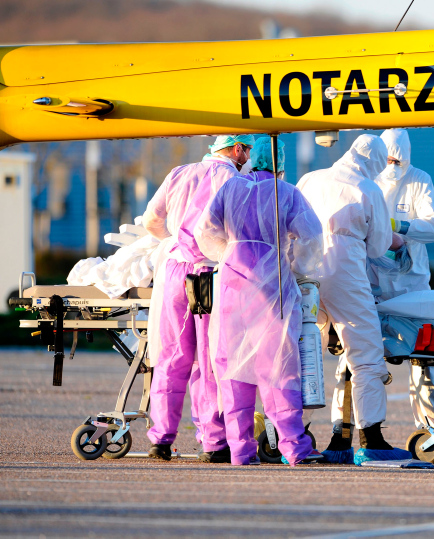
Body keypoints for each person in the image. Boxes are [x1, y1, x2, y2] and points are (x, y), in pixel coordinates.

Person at [194, 137, 324, 466]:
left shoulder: (230, 188)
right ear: (280, 162)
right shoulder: (286, 192)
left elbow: (204, 231)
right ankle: (294, 447)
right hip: (272, 289)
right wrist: (296, 265)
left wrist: (230, 253)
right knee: (277, 367)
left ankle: (241, 451)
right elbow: (312, 236)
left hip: (232, 286)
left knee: (232, 367)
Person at [297, 134, 411, 465]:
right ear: (374, 162)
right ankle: (372, 439)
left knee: (305, 350)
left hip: (305, 267)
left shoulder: (310, 179)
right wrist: (397, 241)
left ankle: (291, 434)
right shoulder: (368, 188)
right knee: (366, 353)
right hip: (344, 271)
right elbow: (377, 246)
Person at [142, 134, 253, 463]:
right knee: (208, 360)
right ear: (237, 149)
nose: (247, 157)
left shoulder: (179, 173)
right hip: (207, 275)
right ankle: (213, 442)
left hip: (174, 272)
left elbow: (151, 220)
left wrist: (175, 241)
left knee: (171, 356)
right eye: (247, 150)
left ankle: (160, 439)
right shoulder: (233, 180)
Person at [369, 128, 434, 432]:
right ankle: (355, 428)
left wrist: (397, 226)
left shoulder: (419, 179)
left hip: (412, 284)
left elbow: (433, 228)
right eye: (387, 159)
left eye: (397, 161)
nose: (391, 166)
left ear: (407, 158)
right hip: (374, 284)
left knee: (423, 356)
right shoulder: (369, 179)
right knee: (362, 359)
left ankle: (431, 427)